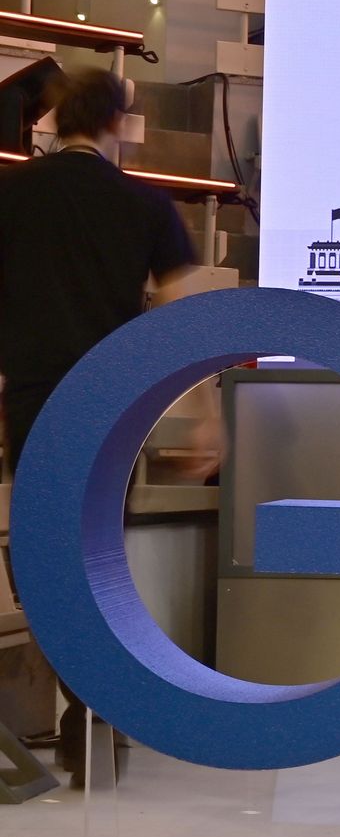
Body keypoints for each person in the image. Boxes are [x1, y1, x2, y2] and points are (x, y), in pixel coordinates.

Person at [0, 68, 224, 788]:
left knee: (41, 558)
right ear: (115, 124)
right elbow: (184, 321)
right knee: (98, 559)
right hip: (111, 406)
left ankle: (85, 703)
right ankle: (93, 713)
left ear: (57, 121)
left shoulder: (13, 194)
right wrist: (207, 416)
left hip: (35, 401)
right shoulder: (144, 203)